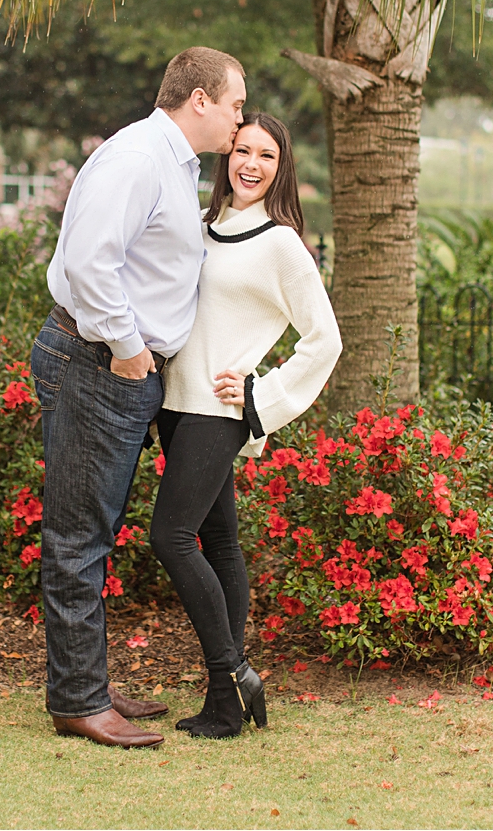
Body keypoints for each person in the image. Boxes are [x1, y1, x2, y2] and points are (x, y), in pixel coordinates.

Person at [32, 46, 246, 749]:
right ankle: (77, 702)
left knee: (95, 532)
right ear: (201, 100)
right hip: (100, 364)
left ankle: (84, 681)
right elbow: (91, 261)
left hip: (116, 368)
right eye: (236, 104)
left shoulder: (168, 161)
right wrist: (128, 350)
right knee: (79, 537)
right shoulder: (139, 159)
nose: (241, 120)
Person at [152, 112, 341, 738]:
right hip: (173, 403)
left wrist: (264, 393)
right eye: (242, 150)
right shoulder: (204, 227)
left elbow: (326, 341)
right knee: (222, 542)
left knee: (171, 537)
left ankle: (232, 673)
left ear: (281, 167)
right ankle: (227, 704)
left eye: (266, 155)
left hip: (218, 411)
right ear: (226, 156)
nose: (251, 164)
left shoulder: (281, 243)